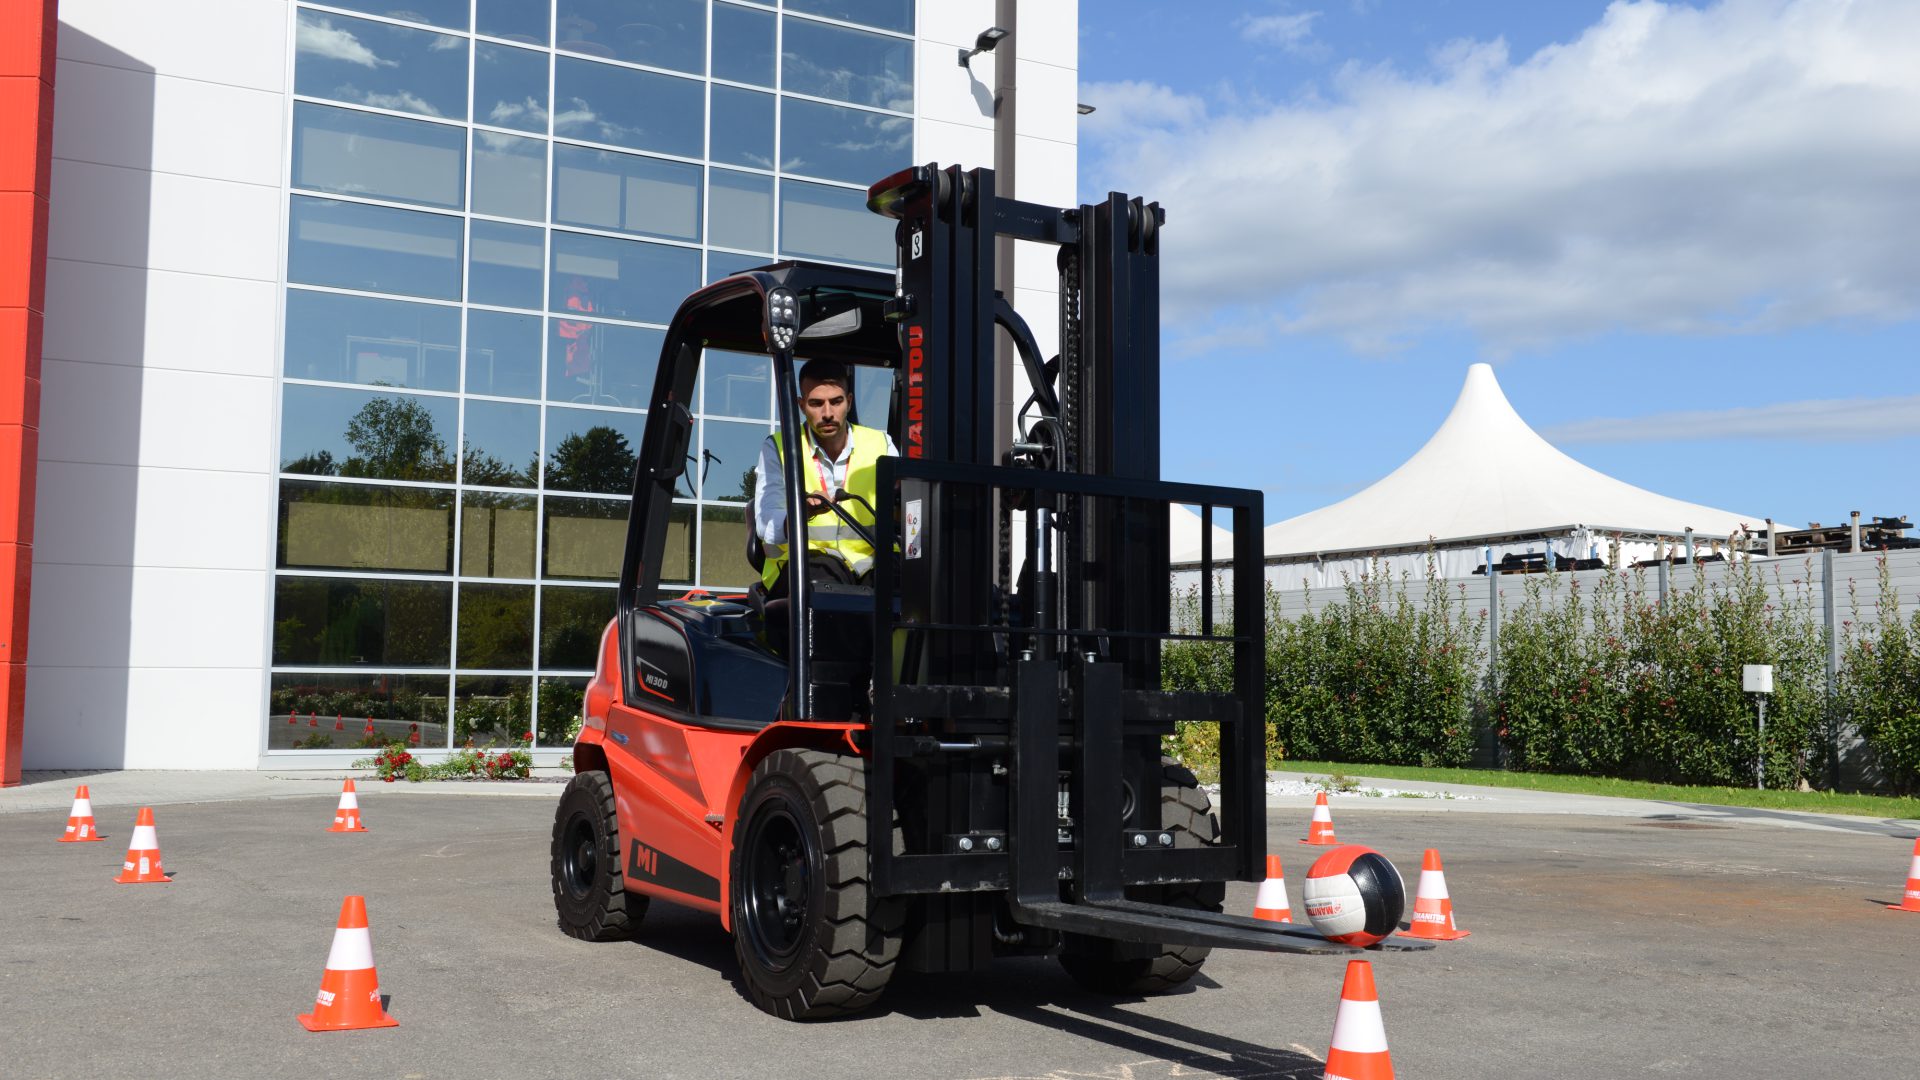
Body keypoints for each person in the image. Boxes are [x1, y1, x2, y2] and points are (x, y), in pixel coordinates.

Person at [752, 359, 897, 597]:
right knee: (827, 583)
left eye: (836, 402)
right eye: (816, 404)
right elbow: (766, 522)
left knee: (913, 579)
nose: (827, 413)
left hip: (871, 564)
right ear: (801, 405)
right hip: (805, 565)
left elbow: (907, 504)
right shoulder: (779, 448)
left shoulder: (881, 444)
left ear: (848, 402)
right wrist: (801, 513)